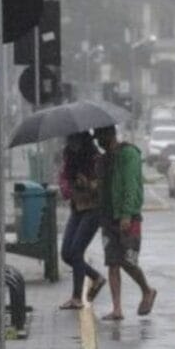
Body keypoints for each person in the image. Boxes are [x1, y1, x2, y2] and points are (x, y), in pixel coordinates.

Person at [94, 126, 156, 320]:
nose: (99, 142)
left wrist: (127, 214)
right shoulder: (104, 159)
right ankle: (117, 308)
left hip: (128, 217)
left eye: (101, 137)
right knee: (112, 262)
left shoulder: (128, 154)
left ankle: (147, 290)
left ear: (111, 135)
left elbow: (130, 184)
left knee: (128, 261)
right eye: (97, 138)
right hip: (108, 217)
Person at [58, 132, 107, 310]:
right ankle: (96, 277)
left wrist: (88, 183)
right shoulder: (69, 157)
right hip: (77, 207)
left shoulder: (95, 159)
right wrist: (67, 186)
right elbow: (64, 177)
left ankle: (77, 298)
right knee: (66, 254)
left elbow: (103, 186)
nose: (72, 143)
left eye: (76, 140)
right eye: (70, 140)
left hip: (93, 209)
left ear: (84, 141)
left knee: (77, 252)